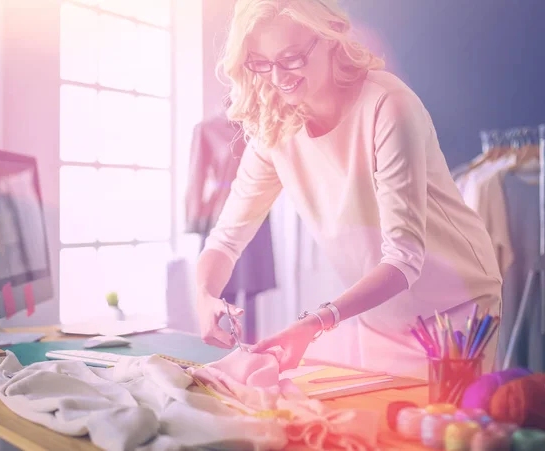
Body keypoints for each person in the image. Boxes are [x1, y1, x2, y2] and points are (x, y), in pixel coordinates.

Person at [195, 0, 502, 379]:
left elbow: (403, 258)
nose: (277, 77)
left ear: (330, 38)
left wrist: (314, 323)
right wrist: (205, 295)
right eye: (261, 62)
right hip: (379, 314)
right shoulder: (274, 128)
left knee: (444, 433)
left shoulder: (388, 106)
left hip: (455, 310)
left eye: (291, 58)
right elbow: (225, 240)